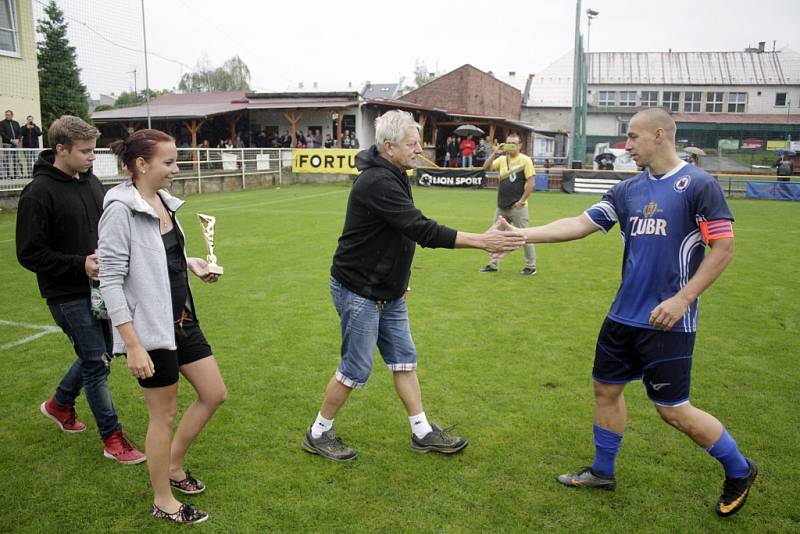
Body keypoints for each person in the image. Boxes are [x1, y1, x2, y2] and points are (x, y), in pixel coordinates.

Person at [505, 108, 756, 517]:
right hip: (622, 317)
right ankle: (602, 472)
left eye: (633, 138)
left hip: (669, 320)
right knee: (605, 390)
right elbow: (580, 223)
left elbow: (723, 248)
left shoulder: (699, 184)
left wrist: (682, 300)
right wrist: (522, 234)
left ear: (660, 135)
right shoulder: (628, 190)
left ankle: (740, 469)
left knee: (672, 410)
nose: (626, 146)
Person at [302, 110, 525, 461]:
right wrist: (482, 242)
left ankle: (422, 432)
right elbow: (420, 229)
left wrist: (399, 280)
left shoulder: (395, 173)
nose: (420, 149)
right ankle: (318, 433)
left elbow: (398, 235)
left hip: (387, 290)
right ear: (389, 147)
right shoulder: (377, 181)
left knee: (404, 359)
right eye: (413, 143)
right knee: (355, 369)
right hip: (360, 290)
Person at [100, 129, 227, 524]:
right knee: (164, 414)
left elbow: (161, 253)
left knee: (214, 393)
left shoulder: (163, 202)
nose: (176, 168)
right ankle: (162, 500)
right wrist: (132, 344)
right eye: (169, 162)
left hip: (182, 319)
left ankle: (173, 465)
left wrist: (192, 264)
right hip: (150, 331)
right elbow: (110, 279)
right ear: (142, 165)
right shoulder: (120, 210)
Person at [15, 115, 146, 465]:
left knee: (103, 352)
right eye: (86, 151)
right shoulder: (38, 194)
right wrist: (79, 264)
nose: (92, 157)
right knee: (95, 362)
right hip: (66, 293)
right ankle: (113, 438)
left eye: (93, 150)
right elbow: (29, 253)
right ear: (60, 149)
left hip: (102, 288)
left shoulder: (90, 183)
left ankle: (60, 404)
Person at [479, 133, 537, 275]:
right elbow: (485, 168)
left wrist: (522, 201)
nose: (511, 146)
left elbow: (531, 183)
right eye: (509, 143)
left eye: (514, 143)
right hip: (501, 206)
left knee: (525, 236)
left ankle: (531, 266)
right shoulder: (501, 160)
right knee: (494, 235)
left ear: (520, 146)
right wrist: (495, 153)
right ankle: (493, 264)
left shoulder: (525, 160)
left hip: (518, 207)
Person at [1, 109, 22, 178]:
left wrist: (18, 139)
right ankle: (8, 175)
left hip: (16, 144)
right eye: (6, 115)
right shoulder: (2, 123)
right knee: (8, 160)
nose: (7, 116)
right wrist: (11, 140)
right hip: (7, 144)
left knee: (16, 159)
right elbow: (2, 134)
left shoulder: (16, 123)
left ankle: (16, 175)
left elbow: (20, 132)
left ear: (12, 115)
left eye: (9, 115)